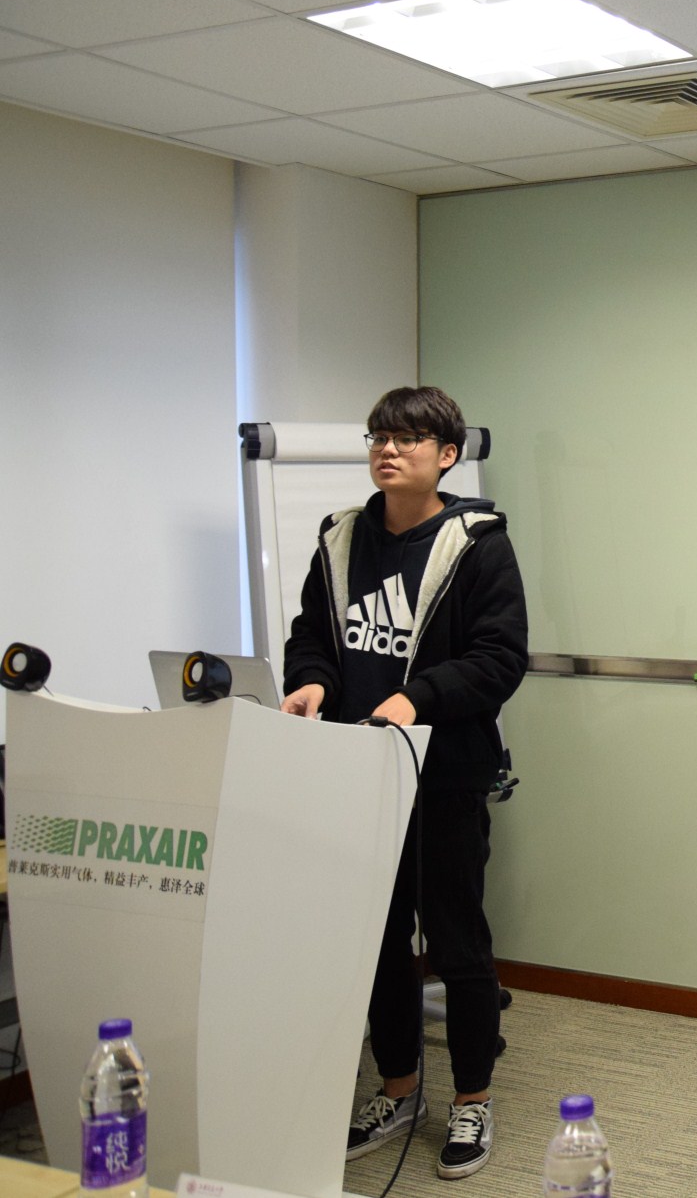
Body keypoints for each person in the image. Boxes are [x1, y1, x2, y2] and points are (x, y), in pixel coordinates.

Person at [280, 385, 527, 1180]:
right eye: (379, 437)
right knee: (378, 942)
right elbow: (312, 635)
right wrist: (312, 679)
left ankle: (472, 1098)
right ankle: (396, 1088)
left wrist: (418, 697)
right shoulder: (341, 538)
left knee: (457, 943)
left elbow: (499, 659)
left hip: (443, 776)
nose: (388, 449)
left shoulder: (477, 543)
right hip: (356, 772)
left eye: (408, 439)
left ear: (446, 456)